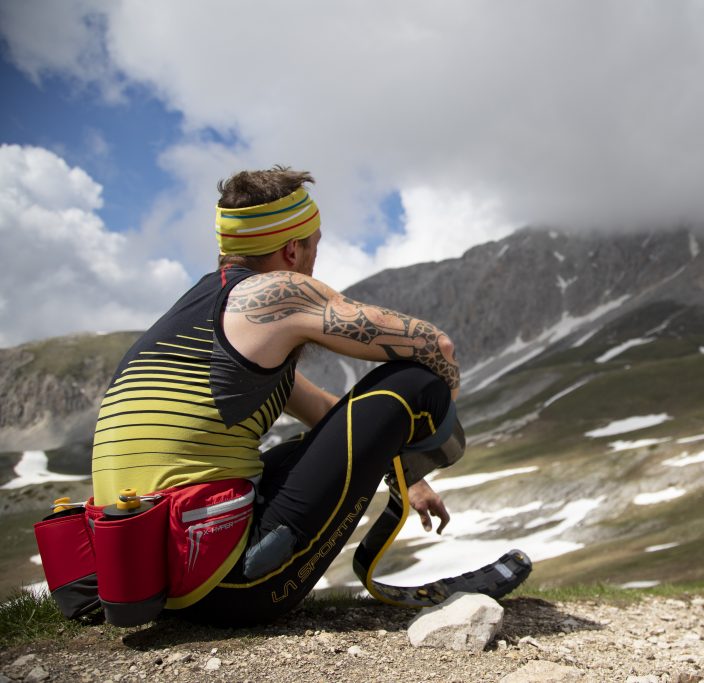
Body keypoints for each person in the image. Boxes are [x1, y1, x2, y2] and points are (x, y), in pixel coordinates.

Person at [89, 166, 459, 624]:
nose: (314, 259)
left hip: (147, 581)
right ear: (292, 248)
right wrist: (436, 431)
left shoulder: (198, 313)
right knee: (415, 383)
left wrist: (408, 476)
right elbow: (435, 346)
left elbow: (329, 415)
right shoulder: (277, 293)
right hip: (227, 588)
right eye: (314, 245)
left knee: (296, 450)